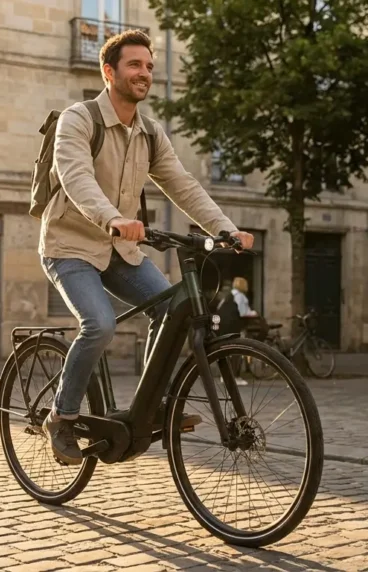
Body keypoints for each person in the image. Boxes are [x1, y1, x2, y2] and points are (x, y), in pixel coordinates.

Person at [39, 29, 254, 465]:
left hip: (121, 252)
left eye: (150, 67)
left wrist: (225, 228)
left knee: (171, 308)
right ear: (109, 71)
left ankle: (147, 406)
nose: (145, 73)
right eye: (135, 64)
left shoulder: (150, 133)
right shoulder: (78, 119)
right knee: (99, 325)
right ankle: (61, 417)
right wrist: (114, 219)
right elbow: (76, 177)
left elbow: (183, 185)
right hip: (71, 244)